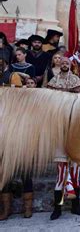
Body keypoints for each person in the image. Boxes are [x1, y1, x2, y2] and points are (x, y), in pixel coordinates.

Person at [47, 57, 80, 220]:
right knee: (61, 176)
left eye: (67, 63)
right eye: (62, 63)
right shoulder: (54, 79)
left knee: (75, 173)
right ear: (58, 65)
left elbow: (76, 98)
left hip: (74, 131)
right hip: (60, 130)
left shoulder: (75, 79)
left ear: (71, 65)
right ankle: (58, 208)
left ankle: (76, 206)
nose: (64, 65)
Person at [0, 77, 37, 221]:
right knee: (5, 178)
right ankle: (6, 209)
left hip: (22, 147)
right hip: (6, 148)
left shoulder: (26, 113)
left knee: (26, 176)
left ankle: (27, 208)